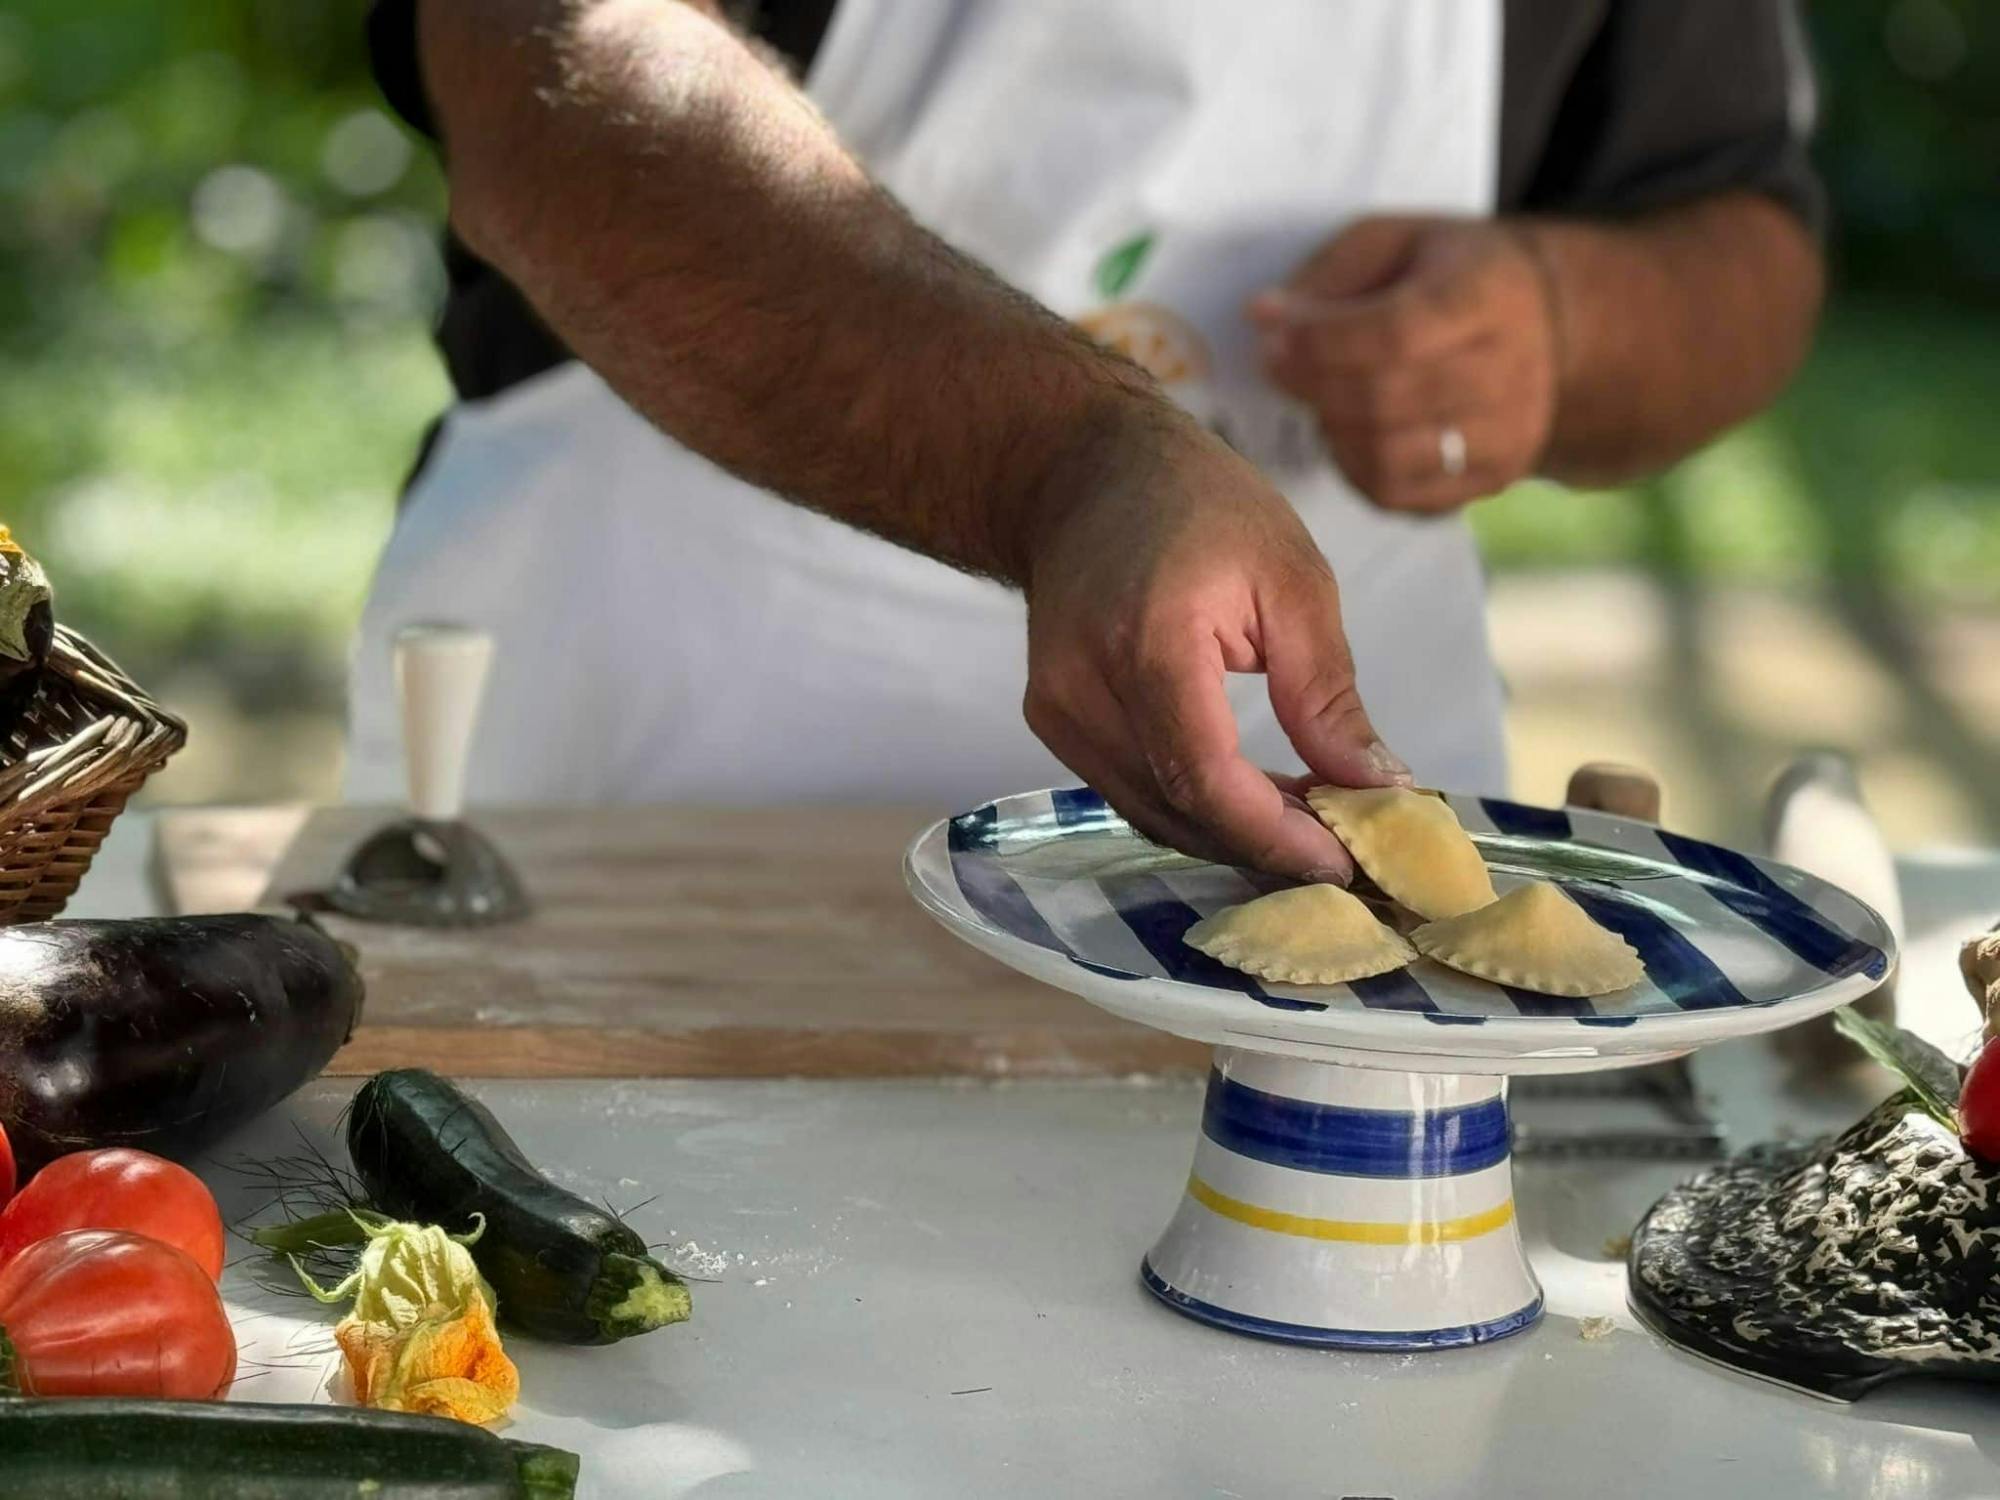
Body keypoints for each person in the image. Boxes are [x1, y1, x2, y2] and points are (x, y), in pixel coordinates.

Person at [347, 0, 1823, 880]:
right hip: (651, 822)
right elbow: (547, 78)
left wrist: (1564, 329)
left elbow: (1739, 230)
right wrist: (1063, 461)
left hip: (1341, 970)